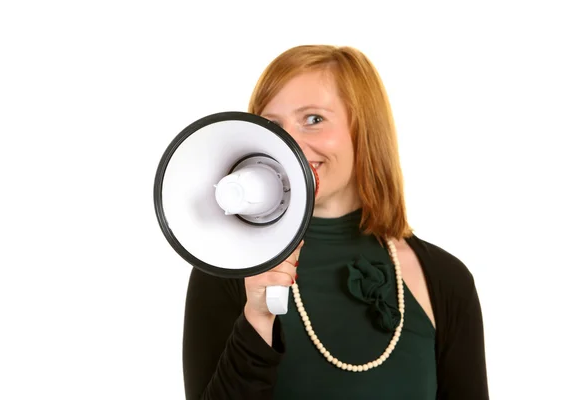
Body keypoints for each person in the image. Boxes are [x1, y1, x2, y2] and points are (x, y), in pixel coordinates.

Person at [182, 44, 489, 399]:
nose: (290, 144)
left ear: (365, 131)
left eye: (313, 119)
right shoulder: (227, 269)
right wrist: (258, 319)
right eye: (273, 125)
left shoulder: (445, 280)